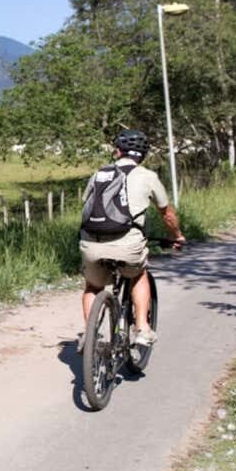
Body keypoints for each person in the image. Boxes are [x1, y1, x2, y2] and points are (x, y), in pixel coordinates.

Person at [78, 129, 185, 353]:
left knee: (93, 286)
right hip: (127, 244)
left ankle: (89, 335)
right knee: (138, 274)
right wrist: (177, 236)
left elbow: (86, 205)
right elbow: (167, 214)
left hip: (91, 242)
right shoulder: (147, 176)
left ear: (118, 151)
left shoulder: (99, 173)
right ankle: (143, 328)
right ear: (143, 155)